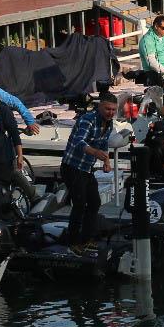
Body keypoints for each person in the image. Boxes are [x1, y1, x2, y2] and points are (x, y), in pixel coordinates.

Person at [61, 92, 117, 251]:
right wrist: (95, 152)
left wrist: (106, 161)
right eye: (107, 109)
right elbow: (79, 141)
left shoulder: (109, 123)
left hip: (86, 168)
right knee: (79, 204)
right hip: (72, 167)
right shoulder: (88, 119)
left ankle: (87, 239)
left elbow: (104, 143)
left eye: (113, 110)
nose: (111, 113)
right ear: (100, 106)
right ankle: (73, 242)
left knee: (94, 202)